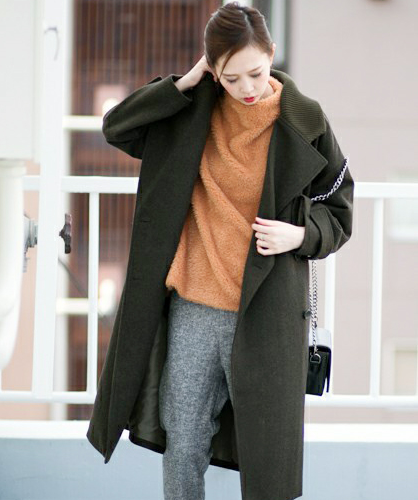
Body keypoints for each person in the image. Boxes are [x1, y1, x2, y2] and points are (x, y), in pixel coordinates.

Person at [87, 3, 354, 500]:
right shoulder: (193, 110)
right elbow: (117, 127)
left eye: (256, 72)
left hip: (267, 312)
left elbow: (339, 211)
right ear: (213, 69)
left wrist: (298, 236)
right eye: (231, 78)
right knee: (183, 443)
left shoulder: (306, 121)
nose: (246, 88)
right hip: (194, 306)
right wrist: (184, 84)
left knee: (267, 460)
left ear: (272, 54)